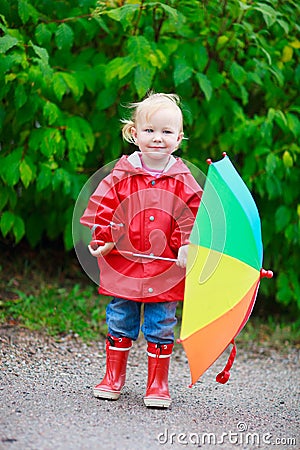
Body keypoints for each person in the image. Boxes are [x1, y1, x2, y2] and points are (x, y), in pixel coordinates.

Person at [80, 92, 202, 408]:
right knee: (120, 317)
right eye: (149, 131)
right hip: (126, 263)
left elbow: (194, 212)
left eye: (166, 132)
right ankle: (113, 377)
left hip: (166, 268)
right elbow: (104, 204)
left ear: (179, 138)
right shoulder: (122, 172)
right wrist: (104, 236)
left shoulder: (183, 178)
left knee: (162, 323)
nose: (157, 139)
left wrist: (188, 244)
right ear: (134, 134)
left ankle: (157, 383)